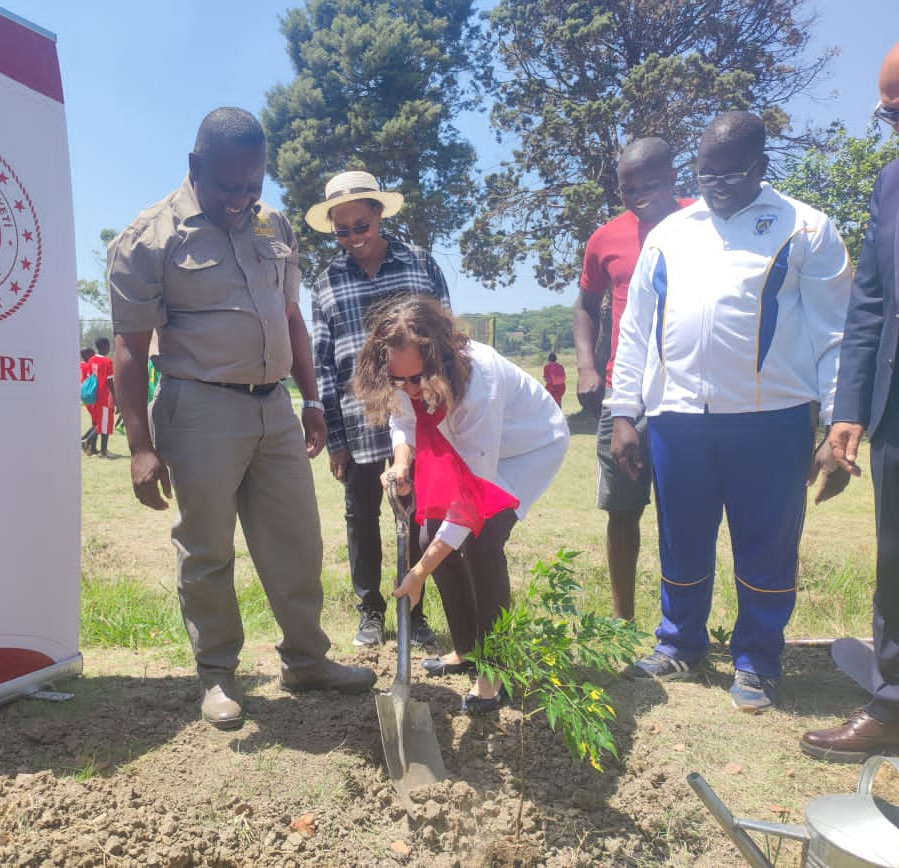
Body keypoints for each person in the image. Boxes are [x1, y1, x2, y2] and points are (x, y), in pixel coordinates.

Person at [107, 107, 375, 730]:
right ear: (195, 166)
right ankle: (218, 676)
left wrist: (310, 400)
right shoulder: (148, 239)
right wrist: (140, 447)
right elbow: (127, 348)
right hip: (198, 406)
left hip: (274, 407)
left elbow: (291, 319)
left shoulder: (272, 222)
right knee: (206, 548)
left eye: (254, 184)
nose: (244, 198)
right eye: (231, 185)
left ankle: (307, 659)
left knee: (298, 540)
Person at [609, 111, 852, 712]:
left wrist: (837, 420)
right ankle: (680, 643)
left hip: (772, 419)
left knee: (766, 541)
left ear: (762, 168)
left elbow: (835, 334)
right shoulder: (670, 234)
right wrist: (623, 413)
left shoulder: (805, 228)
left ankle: (758, 660)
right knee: (681, 537)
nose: (714, 187)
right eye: (704, 174)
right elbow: (636, 329)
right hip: (678, 419)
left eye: (730, 175)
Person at [353, 297, 569, 713]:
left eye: (417, 379)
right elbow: (405, 417)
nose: (409, 389)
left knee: (483, 542)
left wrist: (418, 573)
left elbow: (472, 504)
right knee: (430, 532)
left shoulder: (479, 385)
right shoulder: (404, 372)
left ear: (441, 357)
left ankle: (494, 668)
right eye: (398, 381)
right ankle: (466, 648)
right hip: (466, 446)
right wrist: (401, 462)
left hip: (527, 448)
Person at [801, 43, 899, 762]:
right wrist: (849, 409)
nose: (889, 122)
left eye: (897, 107)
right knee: (896, 557)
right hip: (896, 405)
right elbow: (868, 303)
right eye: (886, 111)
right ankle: (893, 704)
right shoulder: (891, 184)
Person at [306, 169, 451, 650]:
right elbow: (324, 365)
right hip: (359, 419)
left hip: (420, 413)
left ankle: (414, 606)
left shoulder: (421, 265)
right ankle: (371, 610)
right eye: (342, 230)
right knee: (361, 515)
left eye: (361, 226)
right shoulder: (325, 283)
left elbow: (446, 342)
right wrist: (335, 438)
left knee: (419, 515)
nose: (353, 238)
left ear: (379, 215)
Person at [573, 137, 694, 621]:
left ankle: (680, 621)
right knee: (622, 511)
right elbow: (585, 305)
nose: (640, 194)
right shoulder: (605, 238)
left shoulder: (703, 224)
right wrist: (586, 364)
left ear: (673, 177)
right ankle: (623, 621)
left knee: (681, 513)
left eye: (651, 183)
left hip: (685, 392)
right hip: (624, 395)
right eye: (627, 187)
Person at [83, 337, 114, 457]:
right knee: (104, 423)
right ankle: (100, 449)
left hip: (94, 396)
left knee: (98, 422)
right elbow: (110, 383)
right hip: (105, 396)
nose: (109, 348)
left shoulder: (91, 360)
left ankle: (96, 449)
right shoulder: (107, 362)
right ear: (104, 346)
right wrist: (115, 398)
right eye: (108, 345)